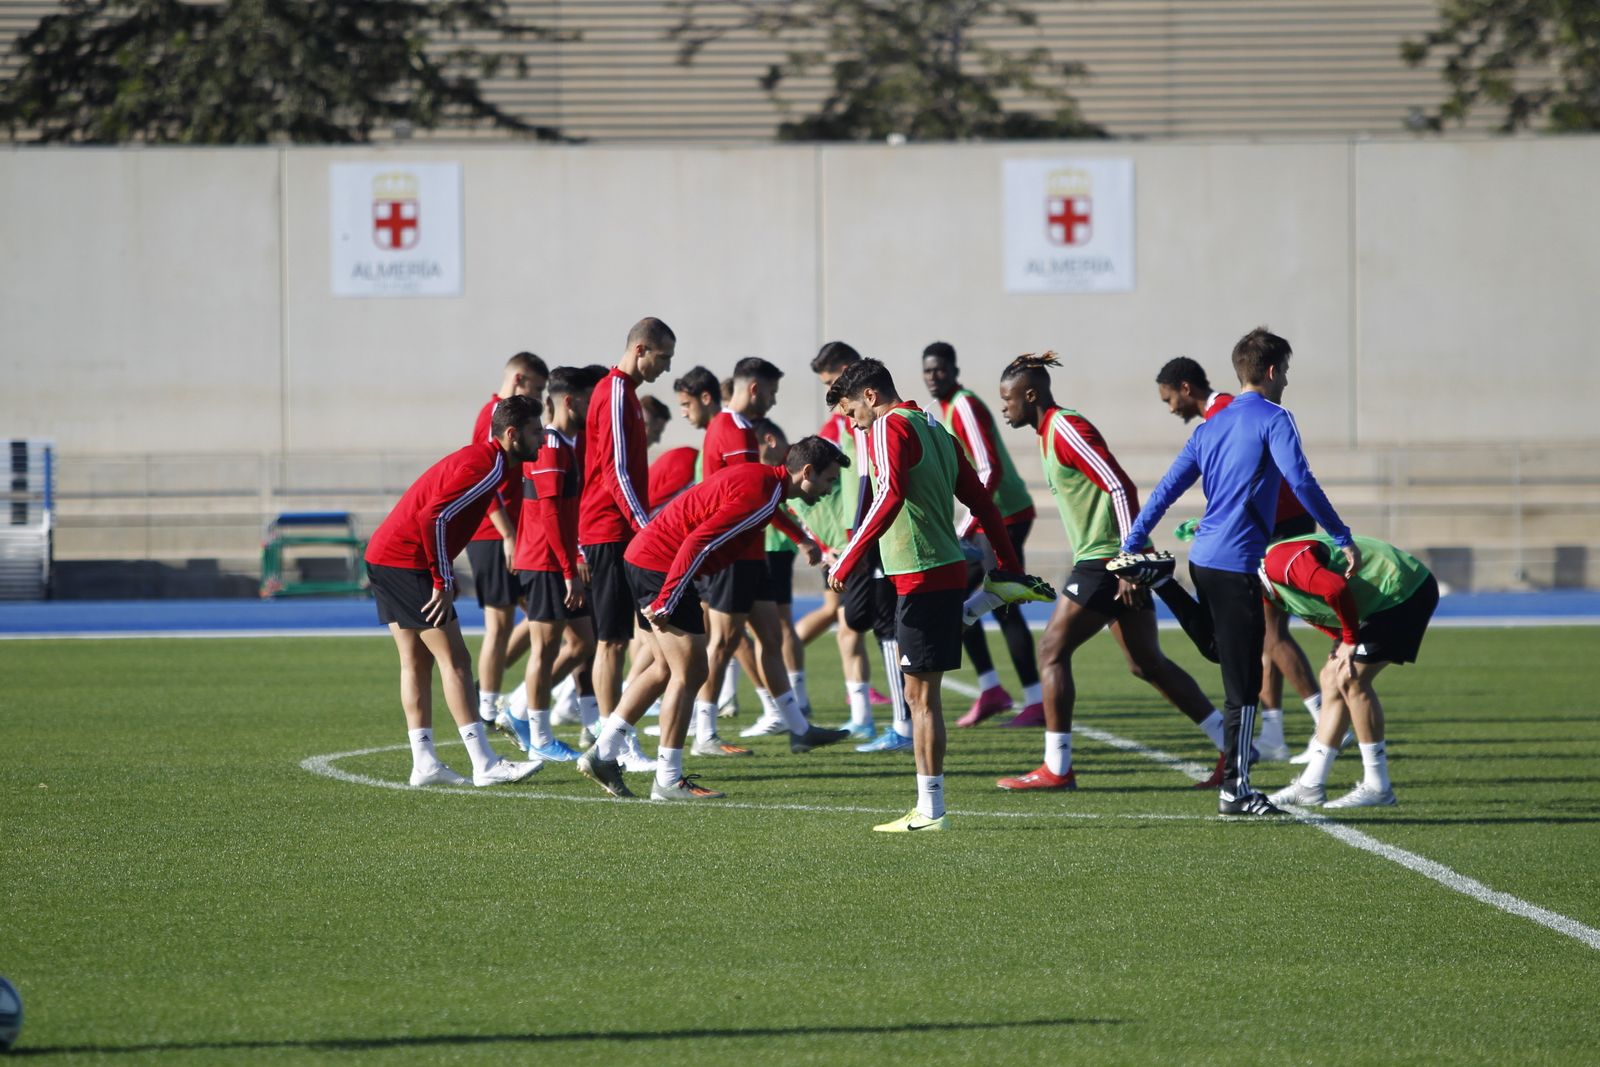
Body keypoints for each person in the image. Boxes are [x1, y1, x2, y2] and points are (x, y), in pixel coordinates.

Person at [1116, 327, 1357, 817]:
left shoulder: (1210, 427)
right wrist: (1340, 534)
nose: (1287, 380)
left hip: (1203, 558)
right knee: (1243, 685)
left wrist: (1133, 541)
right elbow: (1302, 481)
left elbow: (1164, 489)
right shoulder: (1275, 417)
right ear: (1271, 371)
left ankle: (1164, 581)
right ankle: (1236, 789)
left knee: (1219, 651)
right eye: (1285, 371)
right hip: (1239, 562)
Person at [984, 352, 1233, 792]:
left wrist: (1128, 560)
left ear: (1030, 394)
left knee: (1051, 651)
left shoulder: (1065, 427)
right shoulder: (1048, 433)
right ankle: (1231, 745)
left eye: (1008, 399)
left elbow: (1120, 485)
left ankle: (1057, 768)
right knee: (1146, 663)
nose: (1004, 407)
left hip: (1106, 560)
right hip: (1111, 559)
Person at [825, 359, 1051, 833]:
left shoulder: (889, 426)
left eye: (850, 412)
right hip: (944, 568)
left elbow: (887, 496)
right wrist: (1008, 563)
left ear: (870, 396)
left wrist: (848, 560)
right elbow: (983, 501)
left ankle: (930, 811)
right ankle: (994, 594)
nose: (853, 423)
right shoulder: (934, 426)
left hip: (920, 572)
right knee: (924, 686)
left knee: (920, 697)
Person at [576, 437, 850, 800]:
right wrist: (666, 598)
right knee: (690, 672)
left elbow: (767, 510)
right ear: (807, 472)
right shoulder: (764, 491)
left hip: (646, 558)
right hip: (663, 567)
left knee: (662, 668)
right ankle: (668, 780)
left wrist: (800, 537)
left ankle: (603, 753)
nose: (830, 490)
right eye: (829, 480)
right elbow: (697, 543)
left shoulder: (764, 480)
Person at [363, 394, 544, 788]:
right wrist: (441, 579)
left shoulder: (488, 460)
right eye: (535, 430)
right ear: (512, 434)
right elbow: (435, 516)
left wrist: (441, 569)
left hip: (385, 554)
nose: (543, 437)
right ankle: (484, 763)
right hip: (404, 561)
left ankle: (425, 763)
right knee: (457, 660)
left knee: (416, 661)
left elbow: (438, 514)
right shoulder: (491, 464)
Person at [1155, 355, 1322, 768]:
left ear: (1186, 388)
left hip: (1279, 530)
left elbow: (1264, 479)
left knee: (1268, 634)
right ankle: (1276, 734)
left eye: (1168, 399)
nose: (1170, 408)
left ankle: (1327, 724)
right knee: (1266, 635)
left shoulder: (1228, 409)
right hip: (1263, 529)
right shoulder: (1221, 415)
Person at [1262, 535, 1439, 808]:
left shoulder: (1277, 563)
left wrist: (1350, 638)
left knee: (1351, 678)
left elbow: (1334, 588)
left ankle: (1378, 786)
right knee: (1331, 678)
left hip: (1402, 591)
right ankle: (1311, 784)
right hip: (1382, 600)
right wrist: (1342, 638)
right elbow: (1318, 613)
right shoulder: (1265, 586)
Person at [921, 341, 1044, 728]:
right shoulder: (947, 408)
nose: (933, 376)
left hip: (1003, 518)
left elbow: (989, 469)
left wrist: (964, 527)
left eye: (940, 369)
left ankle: (1036, 700)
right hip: (988, 520)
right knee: (956, 601)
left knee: (1003, 606)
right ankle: (992, 690)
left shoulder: (964, 404)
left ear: (955, 370)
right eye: (927, 370)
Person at [578, 318, 676, 772]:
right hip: (610, 531)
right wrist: (645, 526)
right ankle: (609, 742)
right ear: (641, 349)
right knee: (612, 642)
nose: (667, 366)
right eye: (663, 357)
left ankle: (618, 732)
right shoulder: (616, 392)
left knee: (646, 640)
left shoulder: (627, 396)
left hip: (622, 530)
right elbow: (616, 471)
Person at [812, 341, 913, 752]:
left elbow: (880, 490)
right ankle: (895, 724)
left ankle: (905, 728)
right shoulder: (879, 425)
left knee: (885, 623)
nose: (848, 419)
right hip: (875, 538)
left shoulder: (887, 425)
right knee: (864, 620)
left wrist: (854, 542)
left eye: (838, 388)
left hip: (890, 540)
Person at [506, 367, 598, 763]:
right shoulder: (548, 446)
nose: (595, 410)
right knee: (544, 648)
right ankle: (539, 736)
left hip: (556, 559)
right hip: (544, 562)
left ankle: (516, 708)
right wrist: (568, 568)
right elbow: (548, 515)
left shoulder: (564, 445)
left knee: (583, 642)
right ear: (569, 401)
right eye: (590, 402)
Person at [466, 352, 547, 726]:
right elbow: (486, 482)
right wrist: (509, 535)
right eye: (536, 387)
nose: (539, 397)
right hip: (493, 534)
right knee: (498, 625)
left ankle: (488, 691)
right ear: (518, 379)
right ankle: (485, 704)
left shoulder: (511, 416)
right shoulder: (495, 416)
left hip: (515, 534)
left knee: (544, 617)